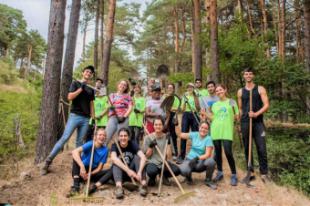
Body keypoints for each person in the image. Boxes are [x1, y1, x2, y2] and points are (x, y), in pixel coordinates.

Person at [41, 66, 95, 175]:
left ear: (92, 75)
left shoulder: (91, 89)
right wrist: (81, 88)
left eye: (90, 72)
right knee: (65, 138)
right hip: (75, 115)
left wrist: (93, 117)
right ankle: (48, 162)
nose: (88, 73)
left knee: (79, 143)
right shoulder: (75, 83)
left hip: (86, 118)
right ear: (83, 73)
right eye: (87, 71)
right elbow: (69, 97)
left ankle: (76, 168)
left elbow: (91, 103)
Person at [237, 67, 270, 183]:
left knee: (261, 148)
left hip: (258, 122)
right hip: (245, 122)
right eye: (246, 74)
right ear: (244, 76)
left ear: (253, 76)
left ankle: (264, 173)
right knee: (247, 147)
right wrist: (239, 120)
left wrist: (256, 114)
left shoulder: (260, 89)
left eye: (250, 74)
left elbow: (266, 105)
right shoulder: (240, 91)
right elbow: (240, 108)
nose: (248, 76)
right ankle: (250, 172)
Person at [204, 84, 239, 186]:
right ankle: (219, 172)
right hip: (215, 130)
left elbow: (237, 115)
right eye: (217, 91)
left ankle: (234, 174)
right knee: (218, 153)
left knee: (228, 152)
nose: (219, 92)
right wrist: (205, 114)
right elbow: (213, 118)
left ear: (225, 90)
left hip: (227, 131)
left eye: (220, 90)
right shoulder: (215, 104)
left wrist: (237, 116)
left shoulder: (232, 101)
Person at [68, 128, 112, 196]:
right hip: (81, 171)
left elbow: (99, 168)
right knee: (76, 158)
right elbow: (74, 152)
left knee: (111, 170)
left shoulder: (105, 150)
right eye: (100, 135)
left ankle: (93, 188)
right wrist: (82, 166)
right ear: (95, 137)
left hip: (92, 172)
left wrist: (90, 174)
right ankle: (76, 187)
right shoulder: (90, 144)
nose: (102, 137)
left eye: (104, 135)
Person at [176, 122, 216, 189]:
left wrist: (197, 158)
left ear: (208, 130)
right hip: (189, 160)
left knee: (211, 161)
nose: (203, 130)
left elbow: (208, 154)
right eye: (202, 127)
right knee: (183, 170)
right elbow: (180, 134)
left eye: (206, 128)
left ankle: (208, 180)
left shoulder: (208, 139)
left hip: (200, 162)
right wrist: (176, 125)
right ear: (199, 128)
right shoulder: (194, 134)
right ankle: (189, 179)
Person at [111, 128, 148, 199]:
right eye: (121, 136)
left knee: (138, 157)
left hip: (134, 174)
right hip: (121, 173)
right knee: (116, 161)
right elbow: (113, 158)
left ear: (128, 137)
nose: (123, 138)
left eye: (125, 136)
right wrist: (128, 170)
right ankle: (119, 188)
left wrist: (139, 172)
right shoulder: (115, 145)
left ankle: (143, 185)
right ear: (118, 137)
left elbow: (143, 157)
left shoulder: (132, 144)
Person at [143, 117, 180, 186]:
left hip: (164, 163)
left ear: (163, 126)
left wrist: (168, 143)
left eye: (160, 125)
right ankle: (152, 178)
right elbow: (146, 156)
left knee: (177, 170)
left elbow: (169, 156)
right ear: (153, 125)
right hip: (152, 163)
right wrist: (151, 147)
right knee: (151, 171)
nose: (158, 126)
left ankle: (163, 176)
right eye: (156, 125)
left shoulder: (167, 137)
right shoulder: (148, 138)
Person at [177, 83, 200, 164]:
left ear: (193, 88)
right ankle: (181, 156)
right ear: (186, 88)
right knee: (184, 135)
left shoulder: (196, 96)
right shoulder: (184, 96)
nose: (190, 88)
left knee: (195, 135)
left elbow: (198, 108)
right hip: (186, 115)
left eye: (191, 87)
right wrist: (185, 102)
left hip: (194, 115)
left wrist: (196, 99)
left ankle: (196, 155)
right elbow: (182, 109)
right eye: (188, 87)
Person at [106, 80, 133, 144]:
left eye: (125, 85)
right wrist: (110, 107)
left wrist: (124, 117)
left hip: (124, 119)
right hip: (113, 117)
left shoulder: (128, 96)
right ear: (118, 85)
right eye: (121, 84)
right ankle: (101, 152)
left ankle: (120, 152)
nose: (122, 86)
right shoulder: (112, 95)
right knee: (107, 135)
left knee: (121, 138)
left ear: (126, 87)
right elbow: (109, 105)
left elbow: (130, 107)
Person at [162, 83, 180, 160]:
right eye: (168, 87)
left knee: (173, 134)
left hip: (172, 116)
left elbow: (176, 108)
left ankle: (175, 152)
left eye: (171, 88)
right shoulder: (164, 96)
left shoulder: (175, 98)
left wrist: (169, 107)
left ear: (173, 89)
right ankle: (166, 152)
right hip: (164, 115)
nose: (169, 89)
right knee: (165, 134)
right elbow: (162, 106)